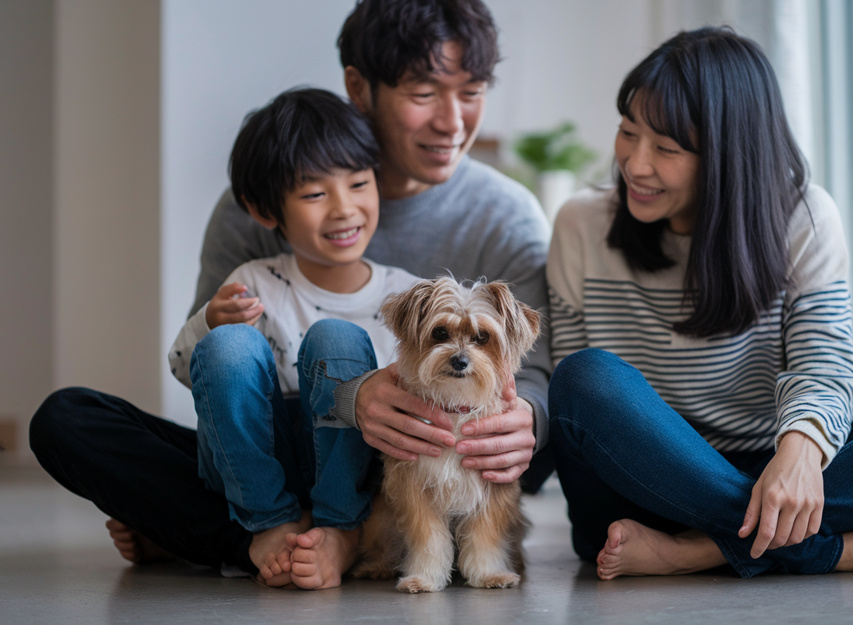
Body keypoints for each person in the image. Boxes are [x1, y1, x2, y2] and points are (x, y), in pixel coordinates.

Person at [30, 0, 551, 586]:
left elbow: (534, 374)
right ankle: (294, 536)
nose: (453, 121)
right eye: (425, 92)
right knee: (65, 419)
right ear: (359, 87)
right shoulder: (257, 200)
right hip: (269, 452)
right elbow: (215, 374)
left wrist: (524, 416)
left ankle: (218, 535)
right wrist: (217, 326)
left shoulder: (505, 216)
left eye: (473, 90)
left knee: (512, 448)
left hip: (403, 458)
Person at [546, 26, 853, 580]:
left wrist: (802, 451)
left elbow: (824, 364)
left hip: (774, 472)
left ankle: (699, 550)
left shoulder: (803, 217)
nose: (635, 165)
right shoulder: (581, 223)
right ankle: (839, 551)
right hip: (641, 485)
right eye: (627, 133)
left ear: (729, 154)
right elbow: (578, 413)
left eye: (666, 149)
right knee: (583, 377)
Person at [169, 87, 420, 589]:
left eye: (358, 183)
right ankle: (270, 525)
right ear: (265, 210)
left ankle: (339, 528)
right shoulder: (254, 281)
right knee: (227, 346)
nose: (344, 208)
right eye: (314, 193)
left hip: (357, 469)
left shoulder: (408, 296)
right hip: (265, 466)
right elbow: (184, 368)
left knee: (336, 338)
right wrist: (210, 324)